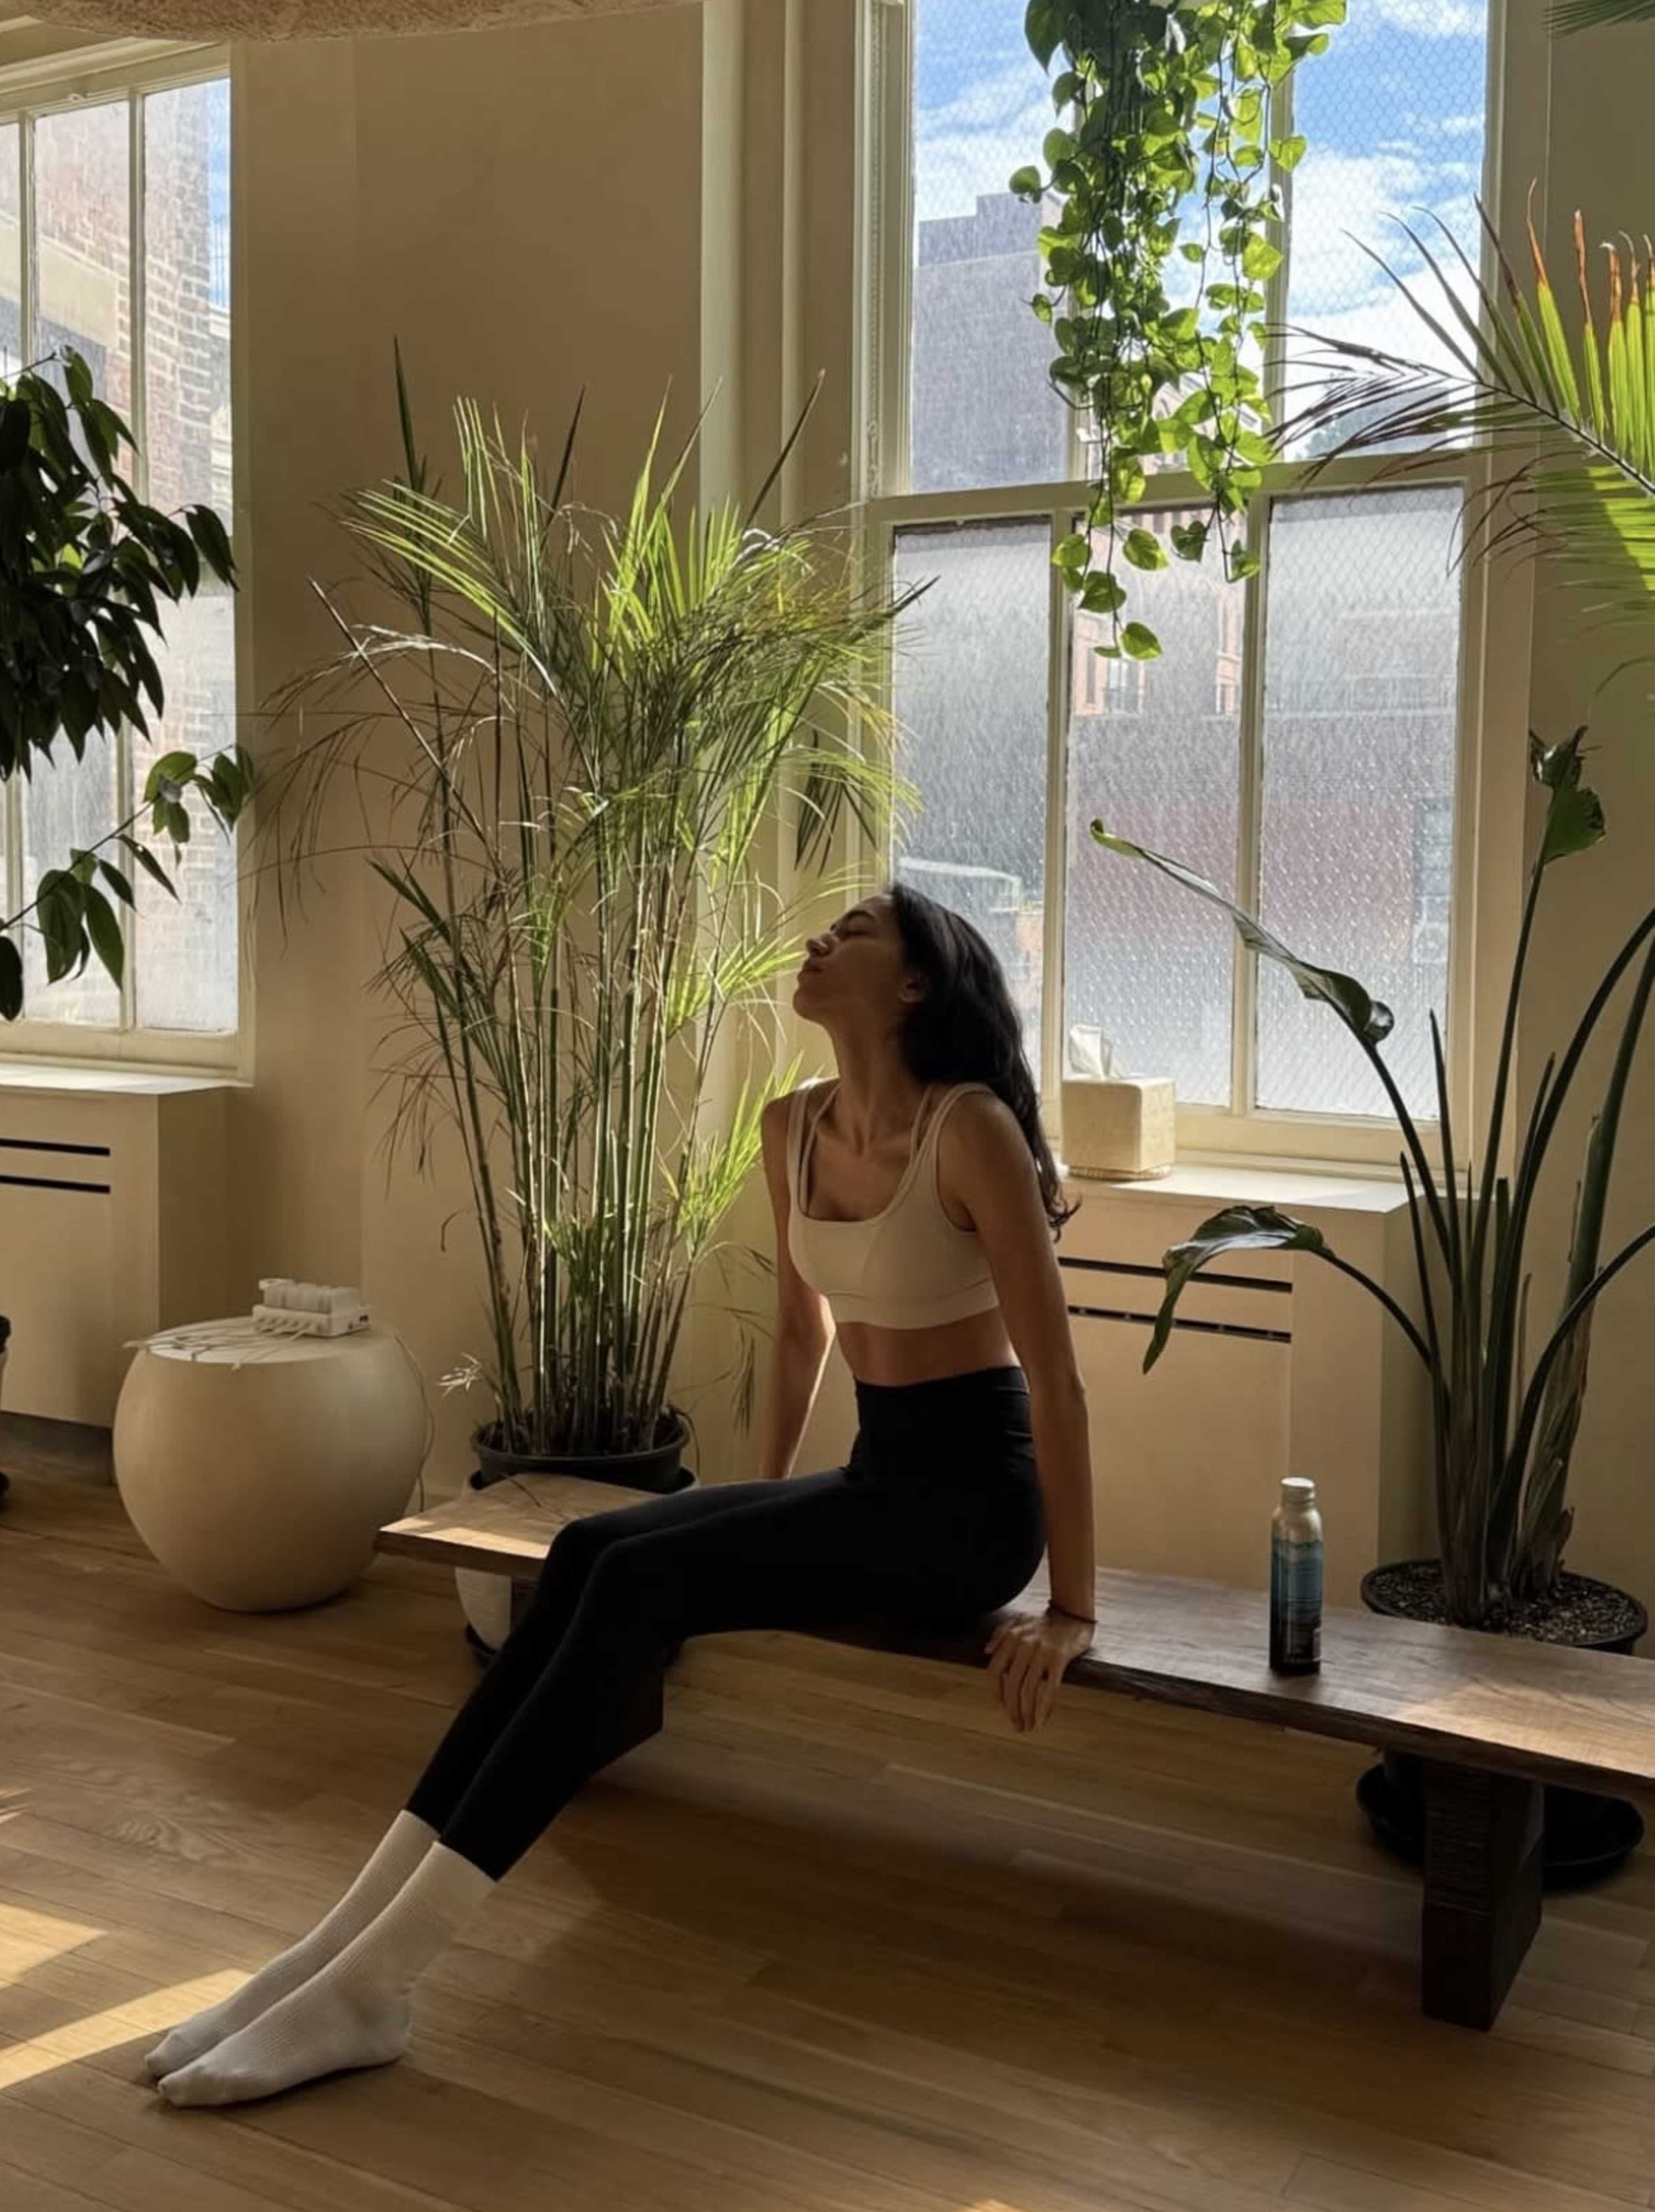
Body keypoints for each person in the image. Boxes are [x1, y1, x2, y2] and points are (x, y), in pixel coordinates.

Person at [146, 883, 1097, 2108]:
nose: (821, 941)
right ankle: (329, 1949)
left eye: (857, 933)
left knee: (642, 1573)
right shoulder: (791, 1125)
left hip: (972, 1506)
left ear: (916, 984)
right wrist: (762, 1513)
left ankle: (377, 1979)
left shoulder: (973, 1132)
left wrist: (1071, 1606)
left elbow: (1060, 1379)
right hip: (875, 1481)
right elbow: (800, 1339)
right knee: (595, 1545)